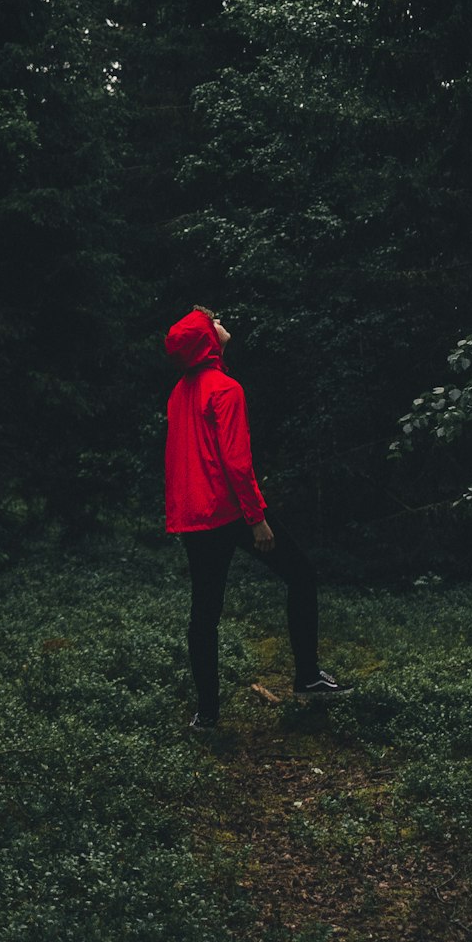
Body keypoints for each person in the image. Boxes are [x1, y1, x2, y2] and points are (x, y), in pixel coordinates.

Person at [163, 304, 346, 729]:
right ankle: (307, 678)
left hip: (195, 518)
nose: (222, 324)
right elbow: (237, 463)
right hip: (228, 510)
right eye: (215, 322)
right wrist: (256, 517)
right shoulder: (225, 389)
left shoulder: (180, 391)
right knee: (301, 575)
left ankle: (207, 715)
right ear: (207, 339)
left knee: (204, 614)